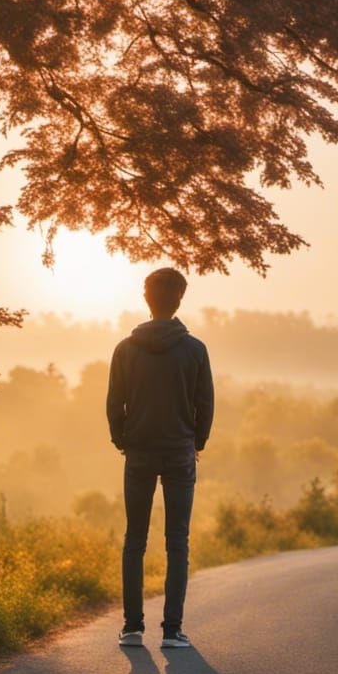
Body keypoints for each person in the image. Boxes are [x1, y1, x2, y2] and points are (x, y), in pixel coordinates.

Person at [106, 267, 214, 649]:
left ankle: (132, 627)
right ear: (179, 300)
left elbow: (114, 403)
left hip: (138, 452)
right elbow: (205, 404)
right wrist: (197, 442)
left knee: (135, 539)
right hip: (180, 452)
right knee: (177, 540)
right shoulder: (195, 350)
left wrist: (122, 440)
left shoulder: (125, 349)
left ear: (146, 299)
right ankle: (172, 630)